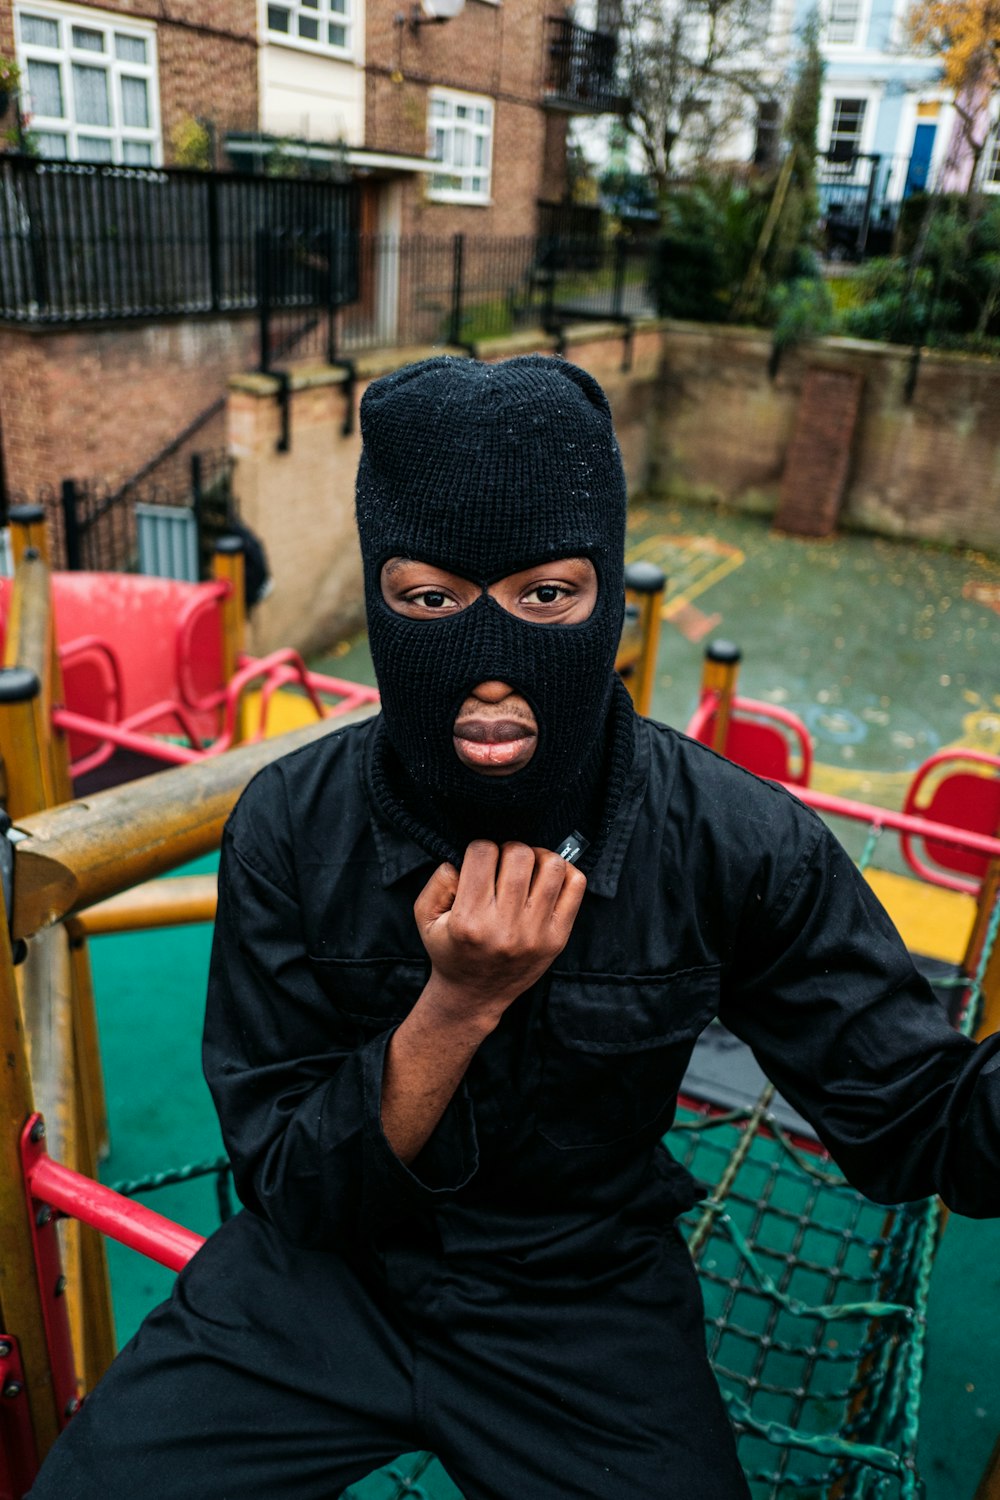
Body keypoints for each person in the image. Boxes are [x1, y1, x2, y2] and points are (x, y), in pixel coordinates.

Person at [30, 355, 1000, 1499]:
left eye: (546, 596)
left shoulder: (736, 844)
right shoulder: (292, 828)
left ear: (605, 597)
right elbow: (289, 1180)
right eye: (431, 600)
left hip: (581, 1289)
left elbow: (916, 1126)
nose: (489, 670)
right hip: (328, 1275)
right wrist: (455, 1008)